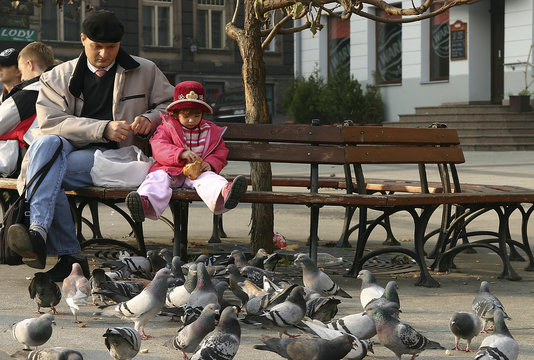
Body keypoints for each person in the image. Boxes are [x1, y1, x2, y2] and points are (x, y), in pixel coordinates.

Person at [7, 10, 174, 282]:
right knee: (48, 143)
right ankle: (38, 232)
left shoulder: (146, 70)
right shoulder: (57, 76)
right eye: (97, 46)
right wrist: (103, 127)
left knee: (51, 172)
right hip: (67, 150)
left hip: (116, 157)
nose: (104, 54)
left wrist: (150, 117)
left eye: (111, 48)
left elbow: (170, 106)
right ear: (83, 39)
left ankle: (49, 242)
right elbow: (50, 123)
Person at [125, 81, 247, 223]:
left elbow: (220, 151)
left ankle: (225, 192)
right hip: (169, 170)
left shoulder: (210, 130)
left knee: (210, 178)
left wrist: (211, 163)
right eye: (186, 116)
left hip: (197, 173)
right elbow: (159, 147)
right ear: (175, 114)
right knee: (157, 180)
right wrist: (180, 153)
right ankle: (144, 203)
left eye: (196, 115)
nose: (191, 120)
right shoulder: (166, 127)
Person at [0, 42, 55, 160]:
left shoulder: (29, 93)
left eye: (21, 69)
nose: (22, 78)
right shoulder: (61, 86)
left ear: (30, 64)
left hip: (30, 159)